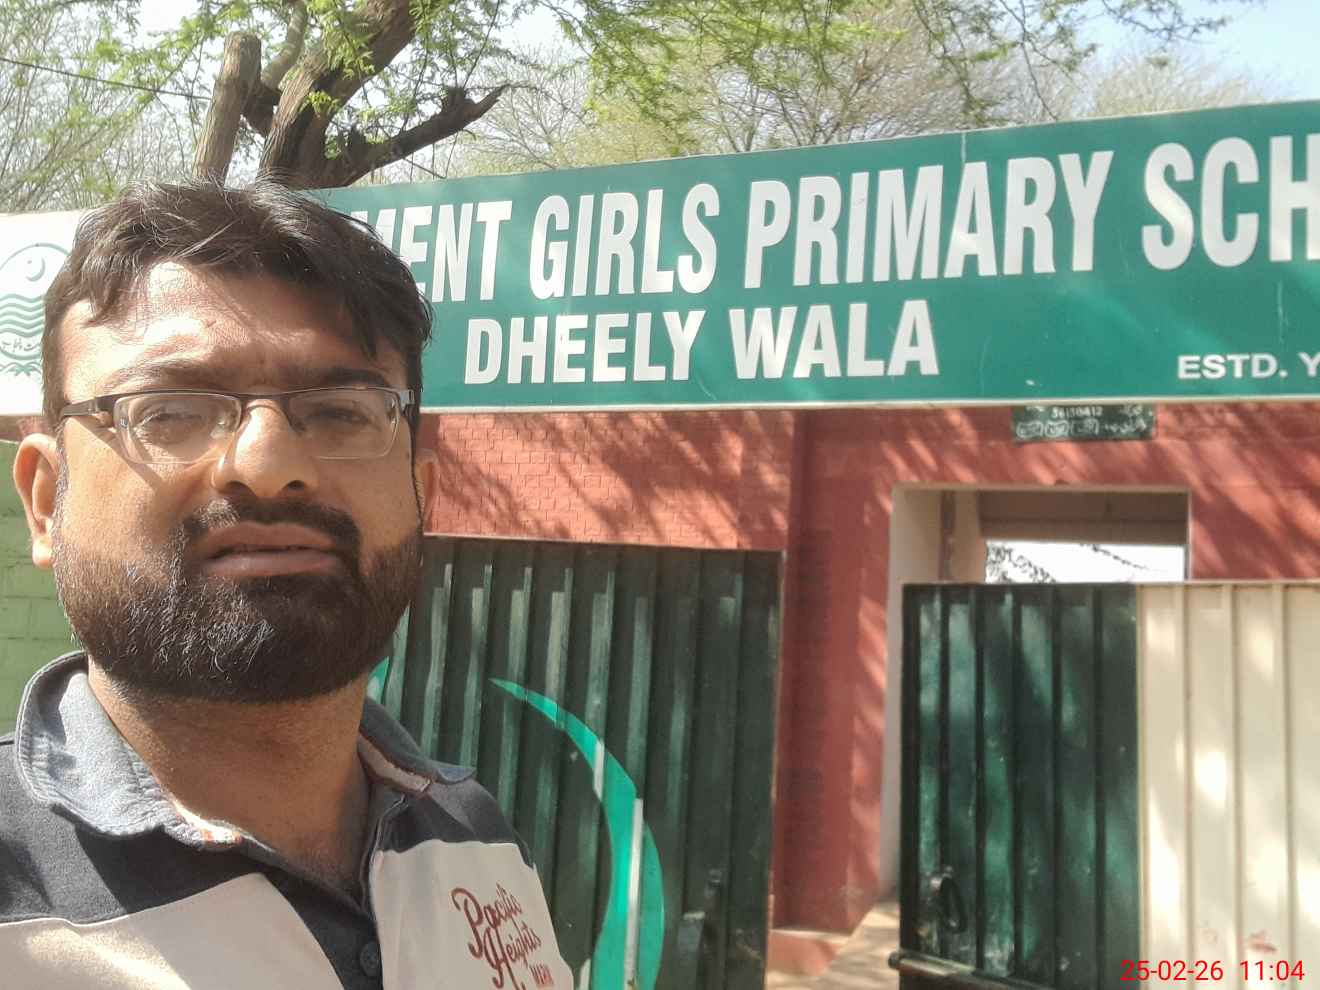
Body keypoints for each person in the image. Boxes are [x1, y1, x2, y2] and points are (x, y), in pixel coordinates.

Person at [0, 180, 571, 989]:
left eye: (341, 412)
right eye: (169, 411)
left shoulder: (474, 835)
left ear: (422, 498)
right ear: (45, 501)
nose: (269, 466)